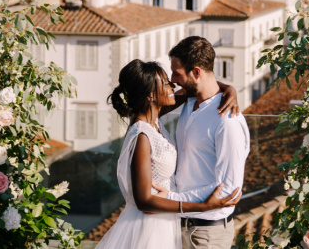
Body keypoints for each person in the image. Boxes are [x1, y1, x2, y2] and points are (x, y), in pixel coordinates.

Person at [95, 59, 242, 249]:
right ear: (149, 95)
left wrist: (228, 88)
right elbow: (144, 201)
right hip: (148, 227)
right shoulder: (142, 135)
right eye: (165, 82)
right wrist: (203, 206)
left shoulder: (153, 118)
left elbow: (193, 88)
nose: (172, 85)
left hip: (164, 222)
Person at [154, 36, 251, 249]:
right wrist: (228, 87)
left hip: (207, 234)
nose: (173, 80)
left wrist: (172, 198)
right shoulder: (189, 101)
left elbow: (229, 190)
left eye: (177, 73)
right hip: (179, 225)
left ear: (196, 72)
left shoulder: (227, 121)